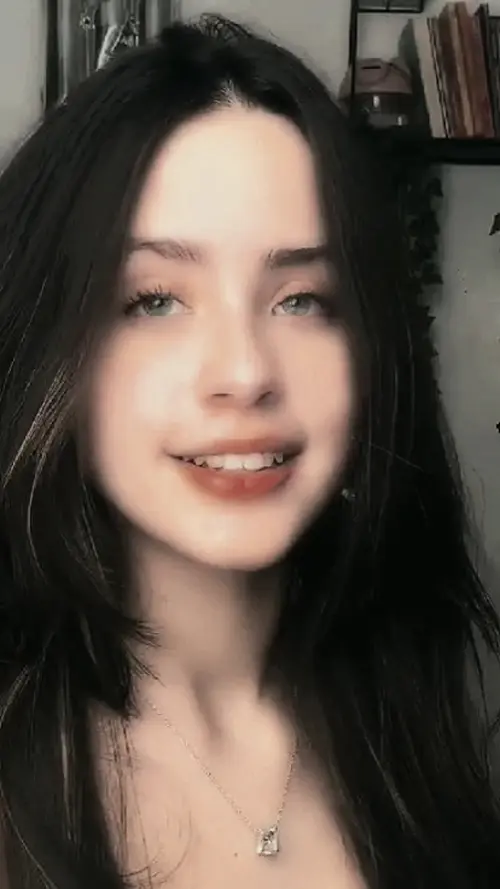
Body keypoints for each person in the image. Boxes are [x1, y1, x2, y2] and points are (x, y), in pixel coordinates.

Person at [0, 13, 498, 889]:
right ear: (49, 345)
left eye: (302, 300)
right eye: (154, 299)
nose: (244, 373)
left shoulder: (416, 712)